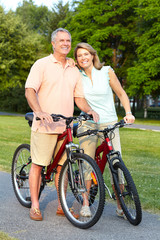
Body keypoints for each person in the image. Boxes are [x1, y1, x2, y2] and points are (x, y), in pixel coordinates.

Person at [25, 29, 99, 221]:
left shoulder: (74, 69)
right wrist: (38, 111)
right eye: (61, 40)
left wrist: (89, 110)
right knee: (38, 165)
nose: (65, 43)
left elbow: (79, 98)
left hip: (65, 127)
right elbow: (30, 90)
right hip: (45, 125)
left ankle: (61, 205)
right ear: (53, 43)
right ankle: (34, 206)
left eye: (68, 40)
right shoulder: (41, 64)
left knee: (62, 167)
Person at [74, 42, 135, 218]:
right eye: (79, 56)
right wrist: (90, 112)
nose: (83, 58)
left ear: (93, 55)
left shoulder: (106, 71)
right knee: (87, 162)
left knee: (116, 162)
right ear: (77, 60)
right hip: (88, 123)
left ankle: (120, 205)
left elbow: (121, 93)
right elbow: (78, 99)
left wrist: (128, 113)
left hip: (109, 122)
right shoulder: (77, 75)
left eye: (86, 54)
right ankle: (85, 203)